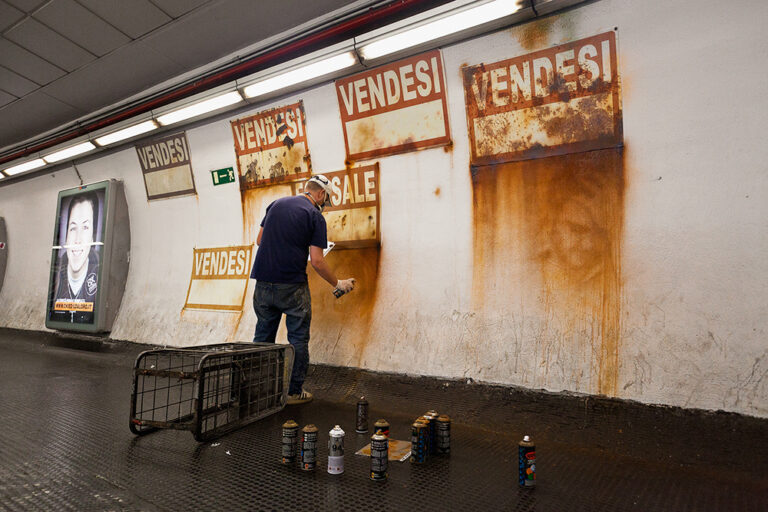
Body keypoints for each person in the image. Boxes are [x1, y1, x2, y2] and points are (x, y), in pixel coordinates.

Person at [250, 174, 355, 405]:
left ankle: (254, 392)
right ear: (319, 194)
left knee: (262, 338)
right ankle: (293, 392)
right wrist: (338, 284)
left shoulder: (275, 204)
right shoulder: (314, 216)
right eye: (325, 199)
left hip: (263, 283)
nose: (324, 203)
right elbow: (317, 261)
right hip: (291, 286)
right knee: (297, 337)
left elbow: (260, 240)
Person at [51, 191, 100, 323]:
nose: (77, 239)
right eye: (73, 229)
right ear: (66, 237)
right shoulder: (55, 274)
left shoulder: (101, 275)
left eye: (85, 227)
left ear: (93, 237)